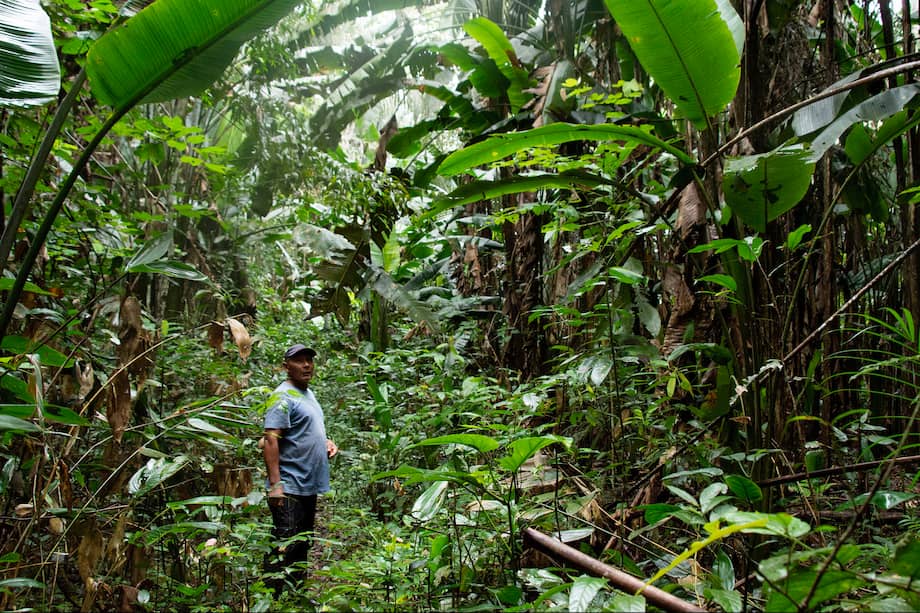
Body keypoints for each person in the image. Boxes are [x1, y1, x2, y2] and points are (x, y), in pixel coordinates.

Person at [261, 343, 338, 590]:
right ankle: (271, 598)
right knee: (285, 544)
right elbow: (270, 439)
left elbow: (303, 431)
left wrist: (325, 443)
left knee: (303, 543)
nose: (306, 365)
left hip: (307, 485)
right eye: (299, 360)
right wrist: (276, 485)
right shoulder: (283, 396)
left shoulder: (307, 394)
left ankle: (297, 595)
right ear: (286, 366)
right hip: (289, 485)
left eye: (309, 360)